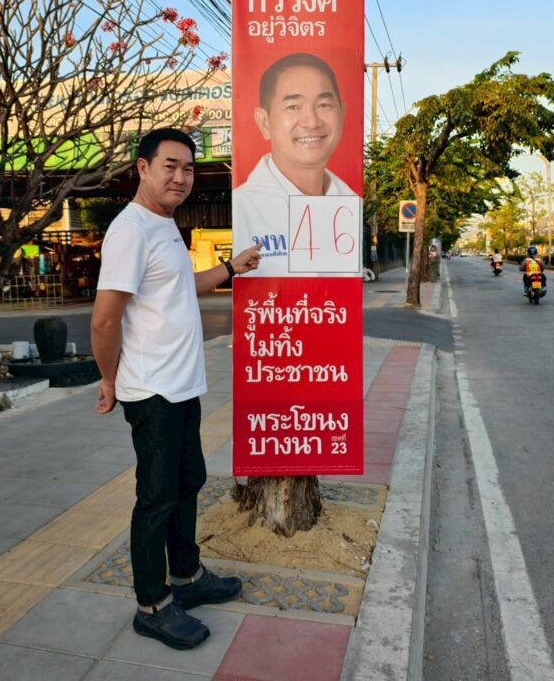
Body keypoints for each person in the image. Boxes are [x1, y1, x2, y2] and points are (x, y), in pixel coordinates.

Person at [90, 128, 262, 651]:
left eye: (188, 168)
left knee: (189, 481)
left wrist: (230, 268)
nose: (181, 177)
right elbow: (104, 320)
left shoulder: (163, 225)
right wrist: (109, 379)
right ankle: (151, 604)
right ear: (142, 168)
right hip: (152, 391)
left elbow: (177, 286)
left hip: (181, 385)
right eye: (170, 166)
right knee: (157, 496)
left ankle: (186, 576)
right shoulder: (130, 231)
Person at [232, 52, 356, 276]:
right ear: (264, 122)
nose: (312, 122)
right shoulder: (243, 206)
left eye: (324, 105)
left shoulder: (351, 204)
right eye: (293, 107)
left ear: (343, 114)